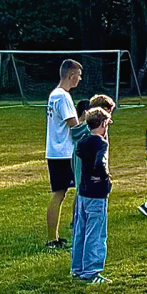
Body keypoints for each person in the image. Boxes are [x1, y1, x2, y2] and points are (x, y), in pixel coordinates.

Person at [43, 60, 84, 250]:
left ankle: (56, 236)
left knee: (61, 193)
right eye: (78, 76)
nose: (80, 79)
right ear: (71, 75)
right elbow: (74, 126)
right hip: (64, 153)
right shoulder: (63, 96)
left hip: (55, 151)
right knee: (61, 194)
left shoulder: (54, 95)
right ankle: (53, 239)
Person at [71, 108, 114, 283]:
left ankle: (77, 268)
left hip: (83, 192)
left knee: (80, 231)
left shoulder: (82, 141)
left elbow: (80, 155)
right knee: (95, 233)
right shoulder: (101, 143)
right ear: (103, 124)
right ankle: (91, 271)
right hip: (97, 194)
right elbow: (100, 162)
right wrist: (105, 178)